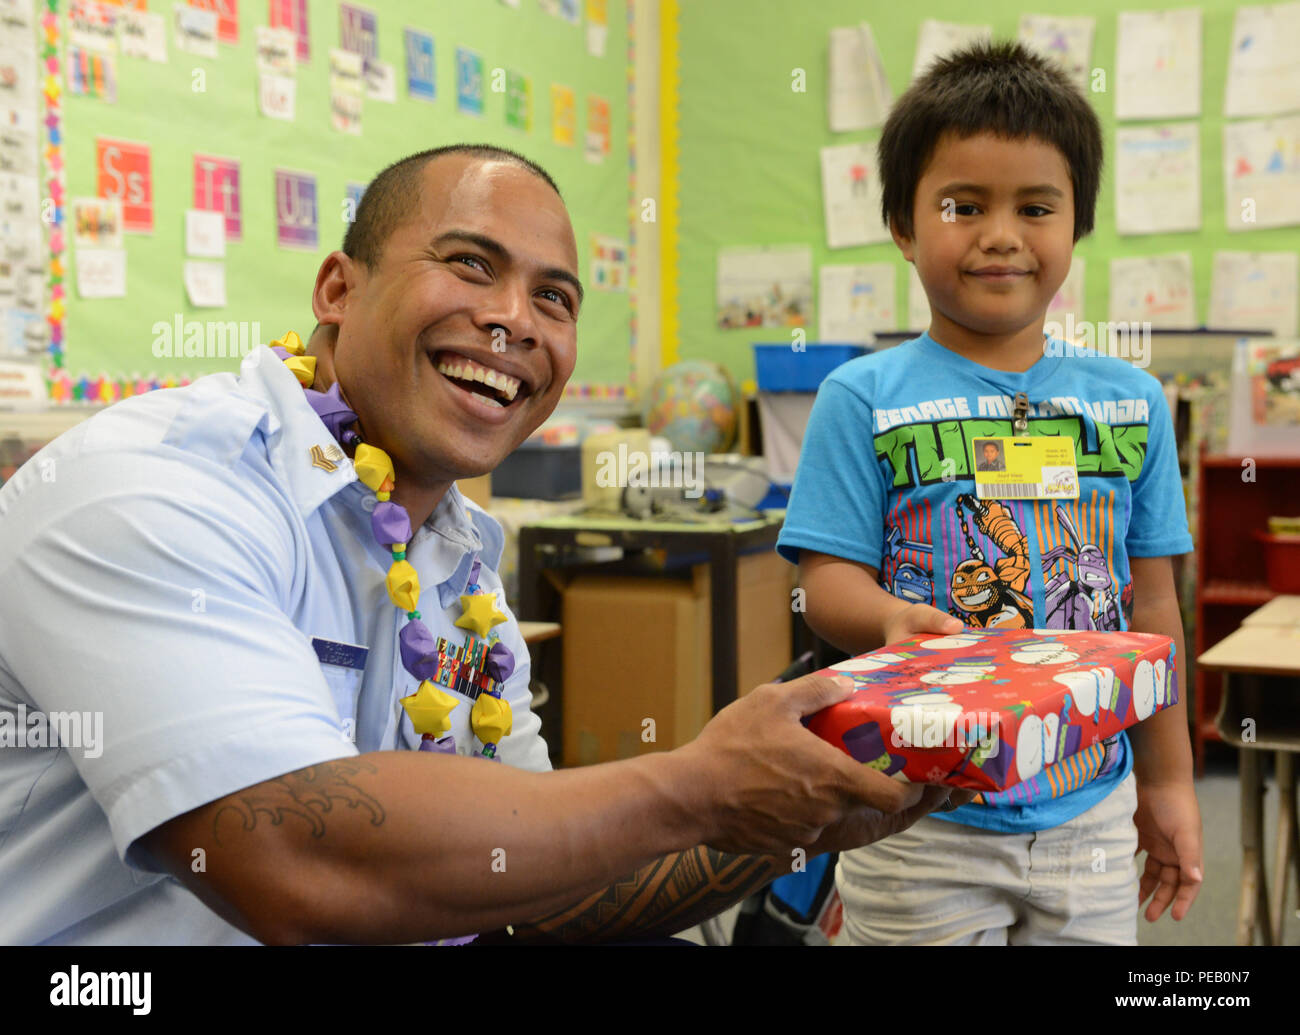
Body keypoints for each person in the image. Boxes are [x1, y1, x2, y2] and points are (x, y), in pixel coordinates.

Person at [0, 144, 962, 946]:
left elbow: (530, 883)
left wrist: (797, 818)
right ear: (338, 287)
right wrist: (701, 785)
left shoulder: (456, 553)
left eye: (556, 297)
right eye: (469, 264)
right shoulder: (156, 485)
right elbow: (290, 853)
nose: (513, 319)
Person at [777, 43, 1203, 945]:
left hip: (1089, 802)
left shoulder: (1131, 401)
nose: (1001, 233)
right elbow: (823, 584)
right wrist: (891, 620)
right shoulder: (863, 397)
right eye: (962, 206)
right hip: (913, 811)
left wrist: (1167, 784)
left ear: (1076, 223)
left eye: (1035, 207)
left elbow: (1154, 606)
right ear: (902, 224)